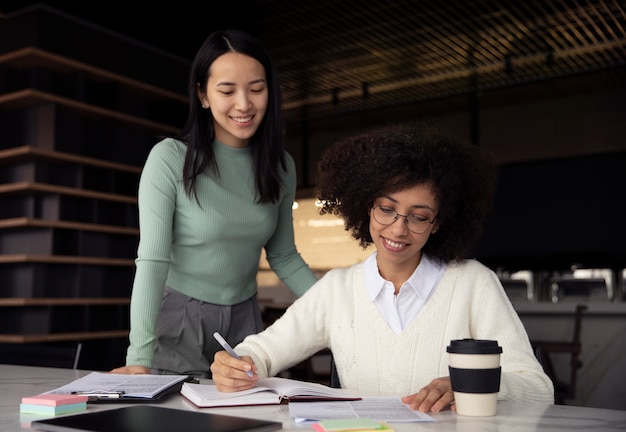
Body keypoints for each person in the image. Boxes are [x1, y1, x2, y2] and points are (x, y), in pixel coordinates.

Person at [210, 123, 555, 412]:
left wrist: (471, 386)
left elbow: (537, 388)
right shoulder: (338, 289)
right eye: (386, 209)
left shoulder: (472, 283)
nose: (398, 228)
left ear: (438, 222)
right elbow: (263, 351)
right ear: (366, 206)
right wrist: (238, 363)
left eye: (418, 217)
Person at [111, 29, 317, 378]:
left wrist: (338, 310)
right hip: (178, 319)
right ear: (203, 95)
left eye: (256, 89)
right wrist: (139, 357)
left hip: (245, 320)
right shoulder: (169, 159)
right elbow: (152, 260)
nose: (244, 104)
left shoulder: (281, 167)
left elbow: (283, 255)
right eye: (227, 90)